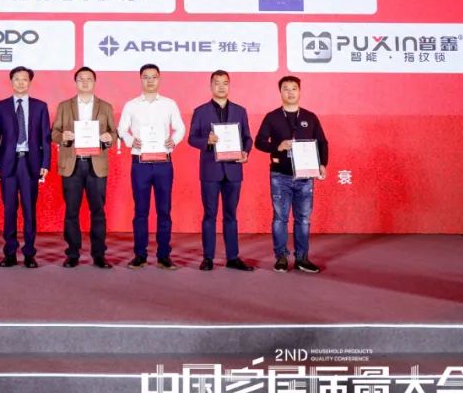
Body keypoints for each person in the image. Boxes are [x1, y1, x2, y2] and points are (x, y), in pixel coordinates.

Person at [255, 75, 329, 274]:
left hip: (305, 177)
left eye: (294, 88)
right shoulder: (272, 117)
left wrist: (323, 164)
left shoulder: (310, 117)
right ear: (280, 92)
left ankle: (302, 258)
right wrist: (277, 146)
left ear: (299, 91)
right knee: (280, 218)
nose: (290, 92)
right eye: (286, 89)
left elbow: (322, 142)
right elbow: (259, 142)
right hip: (280, 176)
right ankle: (281, 257)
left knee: (303, 219)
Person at [117, 64, 186, 270]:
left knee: (164, 210)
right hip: (140, 163)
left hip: (163, 162)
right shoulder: (131, 105)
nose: (150, 80)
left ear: (159, 79)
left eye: (153, 77)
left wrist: (174, 140)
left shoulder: (169, 104)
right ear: (141, 79)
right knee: (141, 211)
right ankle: (140, 255)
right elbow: (121, 129)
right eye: (146, 77)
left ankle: (164, 256)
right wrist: (131, 141)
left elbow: (180, 128)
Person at [187, 70, 254, 272]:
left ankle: (233, 257)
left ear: (229, 85)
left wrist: (246, 151)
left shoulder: (240, 111)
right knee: (210, 214)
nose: (221, 86)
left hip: (233, 169)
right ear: (211, 86)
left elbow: (247, 138)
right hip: (210, 170)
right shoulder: (200, 111)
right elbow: (191, 138)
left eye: (225, 83)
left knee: (231, 215)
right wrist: (206, 141)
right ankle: (208, 258)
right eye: (217, 83)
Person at [51, 66, 117, 269]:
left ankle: (99, 255)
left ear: (94, 82)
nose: (85, 82)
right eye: (81, 79)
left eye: (89, 79)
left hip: (96, 164)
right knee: (71, 211)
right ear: (75, 82)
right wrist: (63, 137)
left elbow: (114, 134)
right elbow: (54, 133)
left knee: (98, 211)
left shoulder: (105, 106)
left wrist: (108, 138)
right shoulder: (64, 106)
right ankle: (72, 254)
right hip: (72, 164)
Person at [0, 66, 51, 268]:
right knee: (9, 209)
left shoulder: (40, 106)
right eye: (17, 79)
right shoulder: (1, 106)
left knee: (29, 209)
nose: (21, 83)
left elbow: (45, 138)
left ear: (30, 82)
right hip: (7, 163)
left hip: (30, 163)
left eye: (24, 79)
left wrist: (45, 163)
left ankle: (29, 253)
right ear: (11, 81)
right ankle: (9, 253)